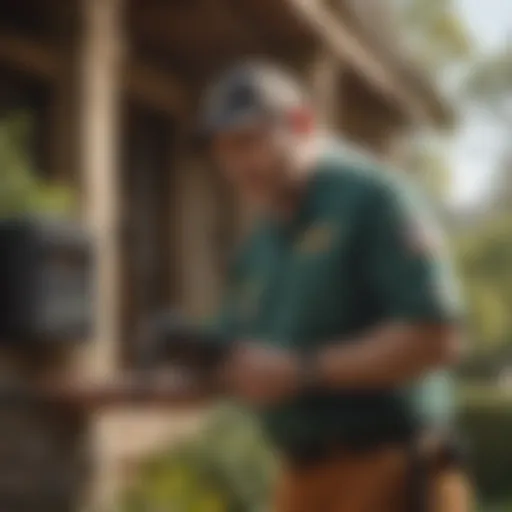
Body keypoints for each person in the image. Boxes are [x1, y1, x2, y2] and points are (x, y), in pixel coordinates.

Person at [198, 61, 471, 512]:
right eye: (222, 149)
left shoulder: (371, 198)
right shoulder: (261, 242)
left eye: (249, 142)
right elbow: (233, 349)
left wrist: (302, 371)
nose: (235, 164)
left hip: (391, 468)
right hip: (300, 476)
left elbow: (437, 338)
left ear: (302, 123)